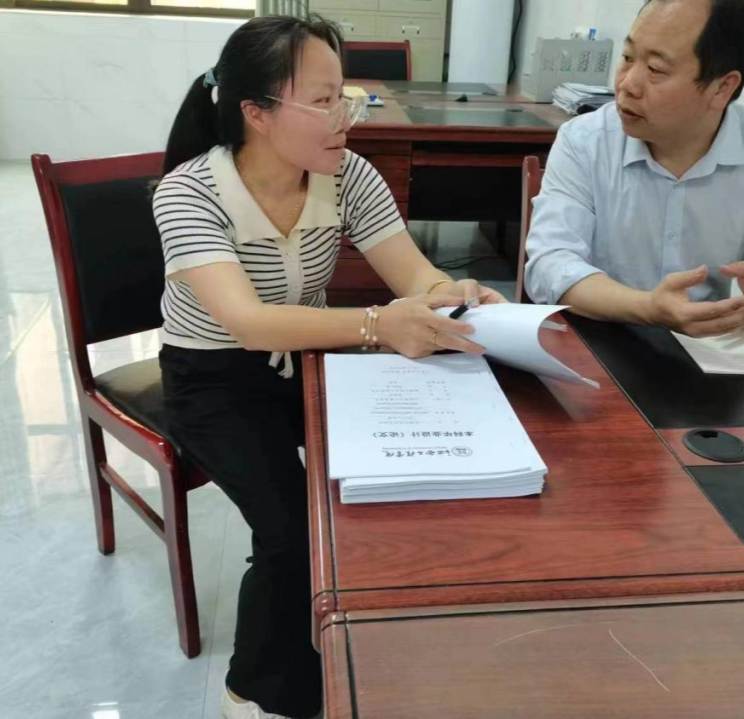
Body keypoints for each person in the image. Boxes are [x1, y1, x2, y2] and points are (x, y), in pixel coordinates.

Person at [152, 15, 506, 719]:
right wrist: (377, 326)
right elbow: (248, 323)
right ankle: (254, 691)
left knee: (385, 486)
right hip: (211, 378)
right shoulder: (189, 192)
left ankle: (352, 636)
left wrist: (450, 292)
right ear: (255, 112)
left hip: (305, 360)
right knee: (289, 531)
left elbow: (413, 273)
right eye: (321, 101)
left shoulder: (348, 174)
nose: (344, 118)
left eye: (345, 97)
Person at [525, 0, 744, 338]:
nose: (627, 84)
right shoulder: (584, 141)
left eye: (656, 69)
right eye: (628, 57)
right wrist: (649, 309)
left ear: (722, 87)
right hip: (598, 337)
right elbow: (551, 263)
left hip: (714, 348)